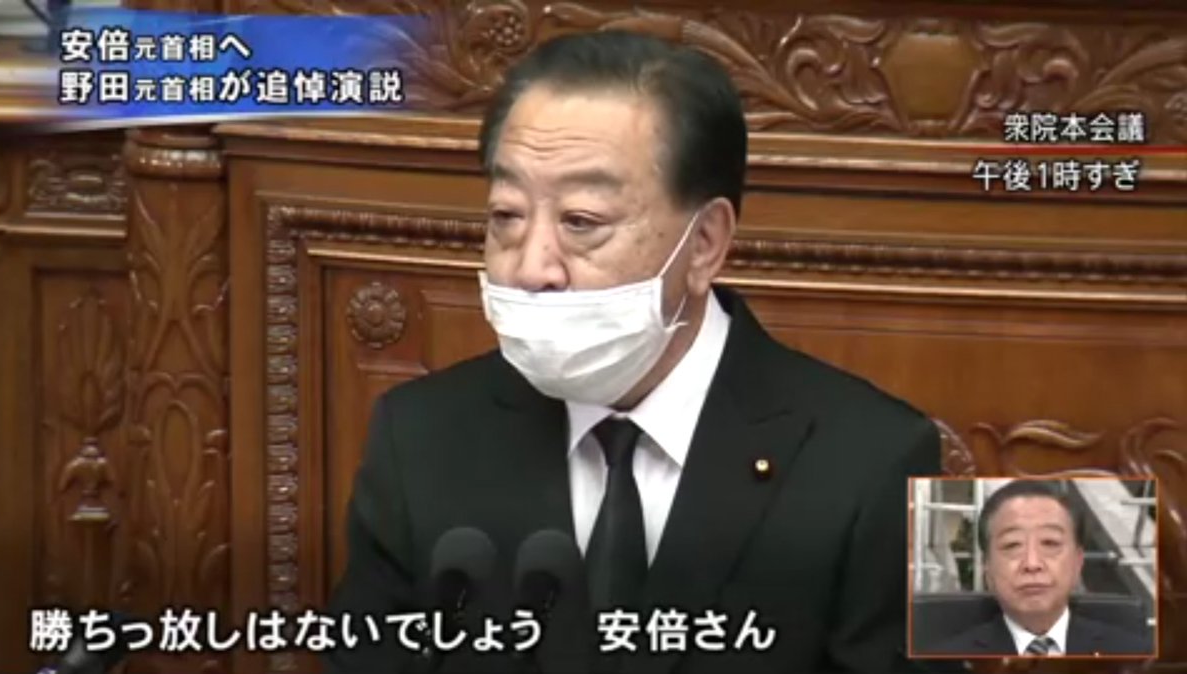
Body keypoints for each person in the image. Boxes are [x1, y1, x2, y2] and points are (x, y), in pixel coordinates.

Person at [324, 30, 942, 674]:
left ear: (704, 243)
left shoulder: (890, 459)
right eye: (507, 216)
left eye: (581, 222)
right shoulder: (417, 437)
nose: (532, 268)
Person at [926, 480, 1153, 657]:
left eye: (1050, 543)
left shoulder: (1137, 655)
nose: (1032, 564)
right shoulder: (943, 662)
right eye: (1012, 545)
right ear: (987, 569)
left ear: (1078, 562)